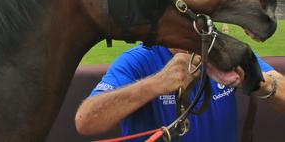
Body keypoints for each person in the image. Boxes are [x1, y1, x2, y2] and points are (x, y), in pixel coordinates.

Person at [75, 45, 285, 141]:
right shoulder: (137, 60)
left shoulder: (225, 50)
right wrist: (157, 83)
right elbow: (85, 120)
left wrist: (258, 82)